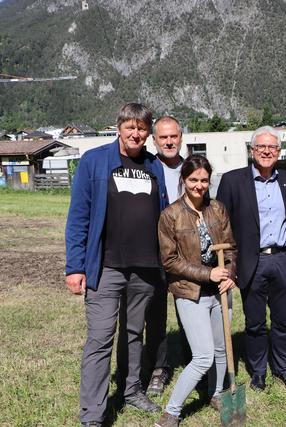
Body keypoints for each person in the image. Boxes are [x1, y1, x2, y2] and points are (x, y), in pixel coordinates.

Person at [65, 103, 169, 426]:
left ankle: (132, 390)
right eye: (130, 127)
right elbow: (79, 217)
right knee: (100, 338)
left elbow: (164, 213)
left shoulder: (155, 166)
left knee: (133, 333)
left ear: (148, 132)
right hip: (106, 267)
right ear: (119, 127)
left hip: (145, 269)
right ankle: (93, 415)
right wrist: (75, 266)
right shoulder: (95, 162)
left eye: (142, 128)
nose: (136, 133)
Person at [216, 126, 286, 391]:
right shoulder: (233, 180)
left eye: (272, 147)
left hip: (282, 259)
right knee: (255, 322)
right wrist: (228, 265)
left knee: (283, 320)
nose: (267, 152)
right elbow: (220, 224)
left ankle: (283, 368)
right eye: (261, 147)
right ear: (252, 150)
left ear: (279, 152)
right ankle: (258, 371)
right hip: (251, 261)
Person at [155, 155, 237, 427]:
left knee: (222, 349)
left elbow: (230, 247)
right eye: (193, 180)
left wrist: (230, 275)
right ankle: (172, 412)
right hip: (190, 293)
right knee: (203, 356)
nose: (199, 185)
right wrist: (207, 273)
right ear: (183, 180)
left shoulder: (218, 209)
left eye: (204, 180)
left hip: (219, 291)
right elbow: (169, 261)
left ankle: (215, 394)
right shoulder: (170, 215)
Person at [144, 115, 186, 396]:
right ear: (154, 140)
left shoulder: (192, 168)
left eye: (173, 136)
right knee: (155, 314)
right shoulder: (145, 168)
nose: (169, 141)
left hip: (188, 253)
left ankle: (198, 361)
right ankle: (160, 368)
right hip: (154, 253)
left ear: (181, 137)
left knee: (190, 310)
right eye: (163, 137)